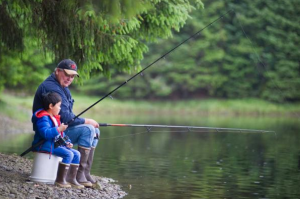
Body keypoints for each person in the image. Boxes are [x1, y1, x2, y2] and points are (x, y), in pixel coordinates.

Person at [32, 59, 100, 188]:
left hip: (60, 130)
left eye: (73, 76)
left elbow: (68, 117)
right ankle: (77, 176)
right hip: (49, 135)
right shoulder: (52, 87)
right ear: (58, 71)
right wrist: (87, 121)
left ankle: (84, 173)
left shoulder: (63, 87)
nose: (69, 78)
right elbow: (66, 117)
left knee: (95, 131)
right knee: (88, 129)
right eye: (67, 75)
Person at [32, 92, 84, 189]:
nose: (60, 108)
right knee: (69, 154)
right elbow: (46, 133)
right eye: (59, 106)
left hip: (54, 145)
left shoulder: (55, 118)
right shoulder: (43, 118)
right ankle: (60, 180)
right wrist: (59, 129)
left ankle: (71, 179)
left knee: (76, 154)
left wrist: (67, 142)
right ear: (51, 106)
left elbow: (61, 134)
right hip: (45, 146)